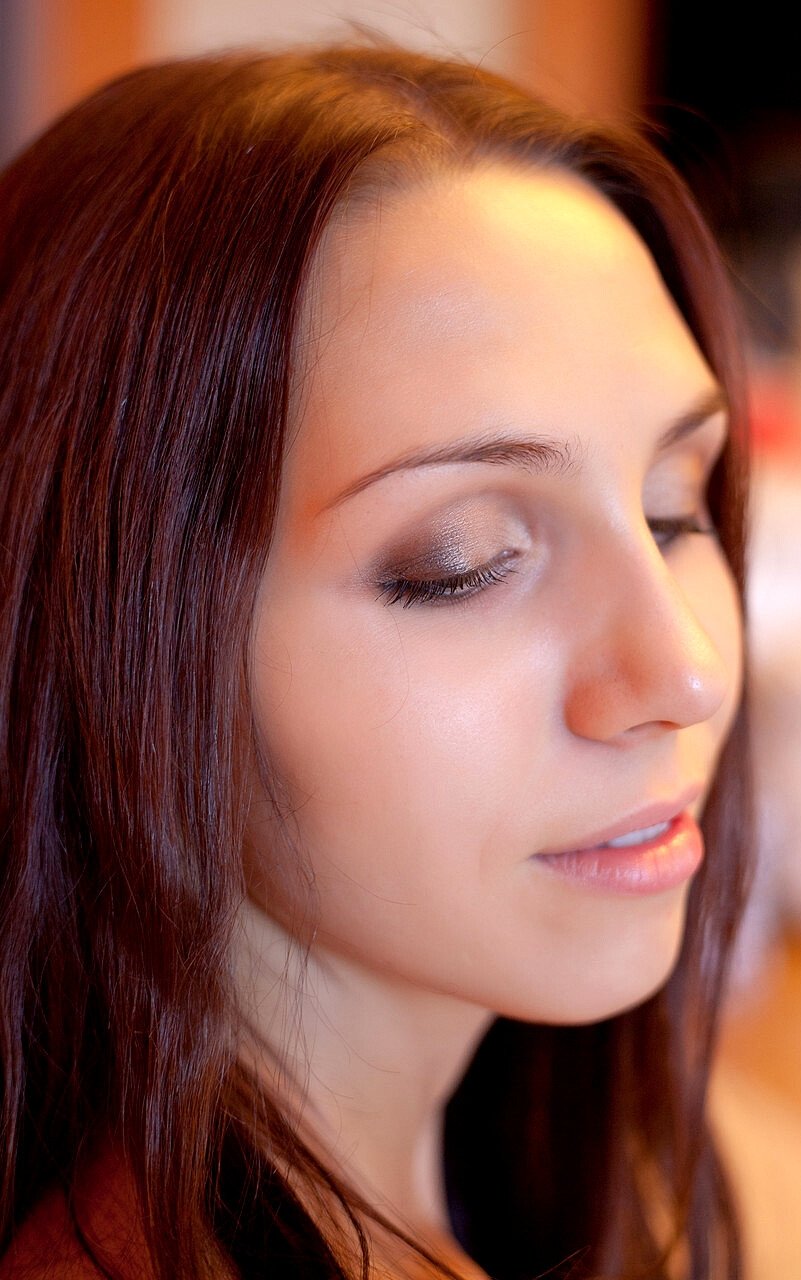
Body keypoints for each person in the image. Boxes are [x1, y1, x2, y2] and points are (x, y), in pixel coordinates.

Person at [0, 44, 751, 1280]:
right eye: (464, 562)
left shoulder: (534, 1168)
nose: (686, 671)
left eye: (673, 510)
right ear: (114, 633)